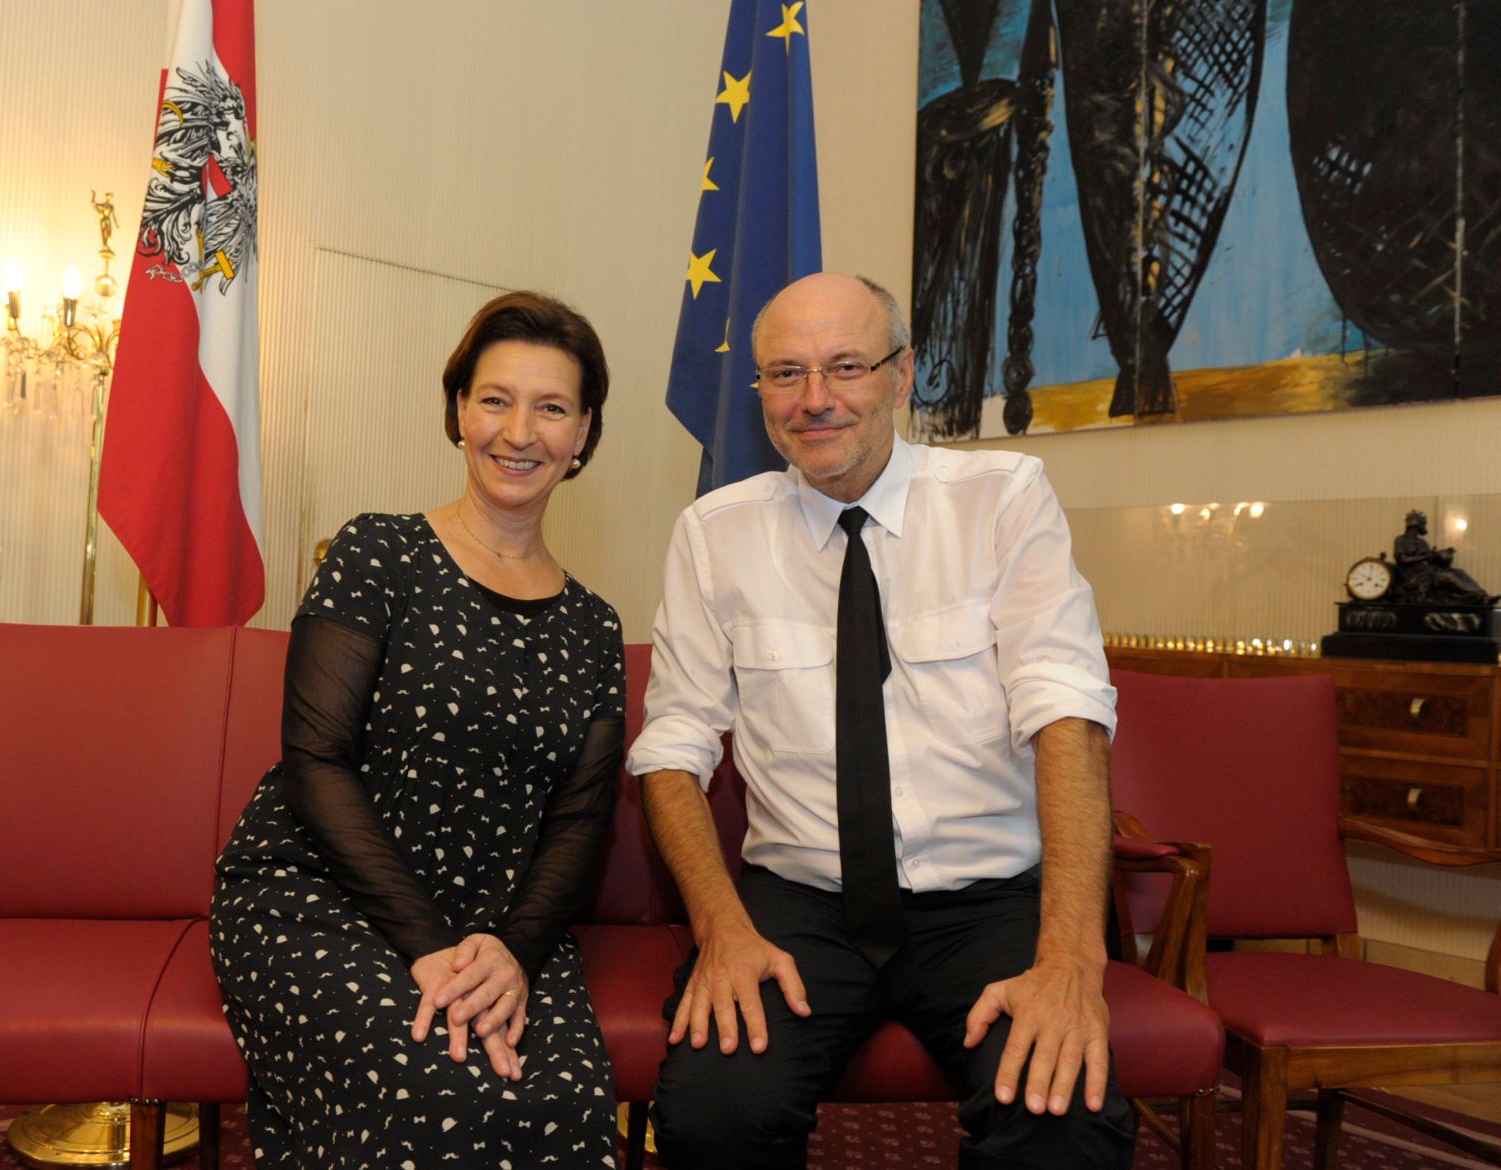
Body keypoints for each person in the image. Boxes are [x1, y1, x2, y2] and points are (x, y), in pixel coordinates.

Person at [627, 272, 1135, 1169]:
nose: (814, 400)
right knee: (713, 1114)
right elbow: (673, 747)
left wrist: (1071, 960)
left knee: (1062, 1126)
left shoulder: (1004, 499)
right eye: (785, 374)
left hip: (986, 902)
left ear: (902, 374)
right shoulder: (714, 534)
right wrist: (722, 929)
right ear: (758, 393)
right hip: (800, 907)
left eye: (845, 367)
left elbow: (1068, 715)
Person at [212, 291, 626, 1169]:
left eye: (551, 408)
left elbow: (582, 820)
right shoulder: (378, 553)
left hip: (500, 927)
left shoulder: (594, 626)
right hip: (323, 898)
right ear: (458, 412)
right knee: (436, 1091)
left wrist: (511, 952)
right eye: (495, 399)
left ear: (584, 432)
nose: (520, 432)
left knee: (563, 1104)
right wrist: (428, 950)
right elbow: (315, 758)